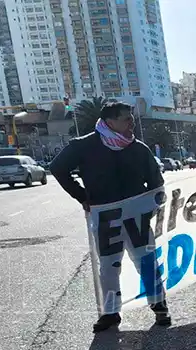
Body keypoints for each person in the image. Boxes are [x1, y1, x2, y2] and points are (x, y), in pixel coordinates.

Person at [49, 101, 170, 333]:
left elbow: (156, 182)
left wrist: (150, 206)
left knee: (146, 262)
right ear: (110, 122)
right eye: (127, 119)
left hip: (137, 219)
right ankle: (111, 313)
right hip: (106, 219)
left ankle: (159, 307)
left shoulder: (138, 149)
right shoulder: (84, 146)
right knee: (109, 266)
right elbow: (58, 168)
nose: (132, 124)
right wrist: (82, 196)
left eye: (132, 119)